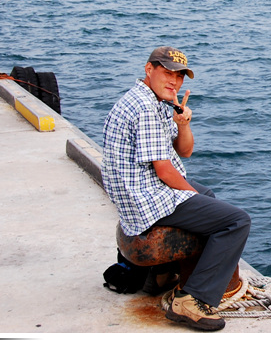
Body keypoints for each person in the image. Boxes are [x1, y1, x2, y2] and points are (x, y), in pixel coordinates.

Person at [102, 46, 251, 331]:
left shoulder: (156, 102)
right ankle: (192, 300)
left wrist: (183, 123)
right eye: (167, 72)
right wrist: (189, 195)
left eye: (180, 75)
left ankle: (170, 275)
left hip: (144, 189)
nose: (174, 81)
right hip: (145, 198)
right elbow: (165, 171)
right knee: (237, 221)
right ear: (149, 69)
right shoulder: (145, 107)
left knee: (209, 197)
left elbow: (184, 152)